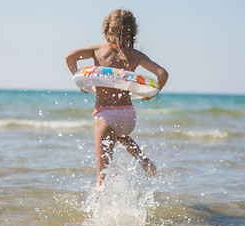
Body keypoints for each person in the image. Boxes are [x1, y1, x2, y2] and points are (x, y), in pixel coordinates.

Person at [65, 9, 168, 191]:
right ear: (133, 31)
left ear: (106, 28)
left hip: (105, 115)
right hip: (128, 116)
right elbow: (162, 73)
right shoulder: (135, 55)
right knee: (119, 134)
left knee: (101, 175)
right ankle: (145, 162)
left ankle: (97, 208)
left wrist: (80, 80)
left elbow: (70, 57)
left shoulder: (97, 50)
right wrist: (152, 94)